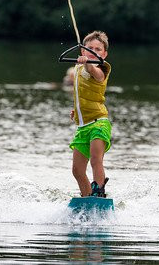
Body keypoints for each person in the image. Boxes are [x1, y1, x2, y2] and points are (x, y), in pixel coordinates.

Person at [69, 31, 112, 197]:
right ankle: (87, 198)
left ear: (104, 53)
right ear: (82, 51)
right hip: (82, 126)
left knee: (95, 160)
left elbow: (97, 76)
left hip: (99, 123)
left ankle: (99, 192)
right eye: (90, 48)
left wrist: (88, 64)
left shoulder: (102, 68)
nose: (94, 51)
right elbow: (82, 93)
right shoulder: (78, 68)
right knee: (77, 170)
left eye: (98, 49)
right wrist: (77, 110)